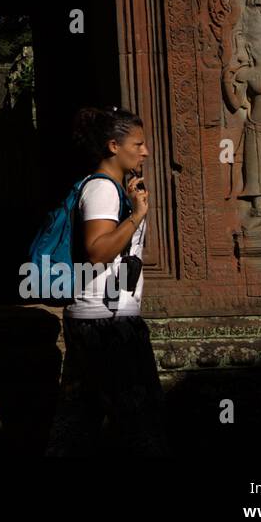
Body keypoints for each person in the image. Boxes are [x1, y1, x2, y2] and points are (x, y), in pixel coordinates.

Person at [45, 105, 171, 456]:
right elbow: (98, 250)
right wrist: (137, 216)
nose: (145, 152)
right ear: (114, 146)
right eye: (138, 144)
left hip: (100, 317)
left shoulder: (111, 187)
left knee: (79, 420)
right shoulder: (102, 189)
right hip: (106, 322)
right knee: (140, 422)